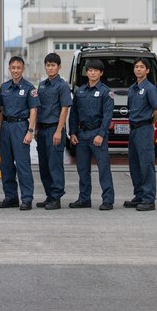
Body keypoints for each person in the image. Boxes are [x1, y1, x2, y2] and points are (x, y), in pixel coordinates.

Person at [68, 59, 115, 210]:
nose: (92, 73)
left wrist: (101, 134)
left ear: (101, 73)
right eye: (90, 70)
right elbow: (74, 113)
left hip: (97, 134)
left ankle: (108, 200)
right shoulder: (80, 91)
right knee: (82, 169)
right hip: (82, 135)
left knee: (103, 168)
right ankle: (84, 199)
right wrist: (73, 132)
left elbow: (108, 115)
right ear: (86, 72)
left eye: (96, 70)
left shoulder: (106, 92)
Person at [0, 55, 39, 211]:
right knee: (6, 165)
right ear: (9, 68)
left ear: (23, 69)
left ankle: (27, 198)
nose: (15, 70)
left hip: (21, 127)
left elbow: (34, 110)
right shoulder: (4, 87)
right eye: (13, 68)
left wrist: (30, 131)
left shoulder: (29, 88)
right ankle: (11, 197)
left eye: (18, 68)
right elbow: (0, 110)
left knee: (22, 165)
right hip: (6, 127)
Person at [35, 52, 73, 210]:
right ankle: (49, 195)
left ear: (59, 67)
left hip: (54, 130)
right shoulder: (42, 85)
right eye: (48, 65)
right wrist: (36, 129)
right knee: (44, 165)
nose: (50, 68)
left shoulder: (62, 86)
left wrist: (59, 131)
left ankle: (56, 197)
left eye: (53, 65)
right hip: (42, 130)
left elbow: (65, 109)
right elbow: (38, 108)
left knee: (54, 164)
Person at [124, 57, 157, 211]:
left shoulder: (150, 88)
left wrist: (151, 123)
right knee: (134, 164)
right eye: (136, 67)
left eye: (142, 67)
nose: (138, 69)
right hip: (133, 130)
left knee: (146, 164)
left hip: (144, 129)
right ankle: (139, 195)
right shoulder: (132, 88)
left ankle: (148, 199)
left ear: (147, 70)